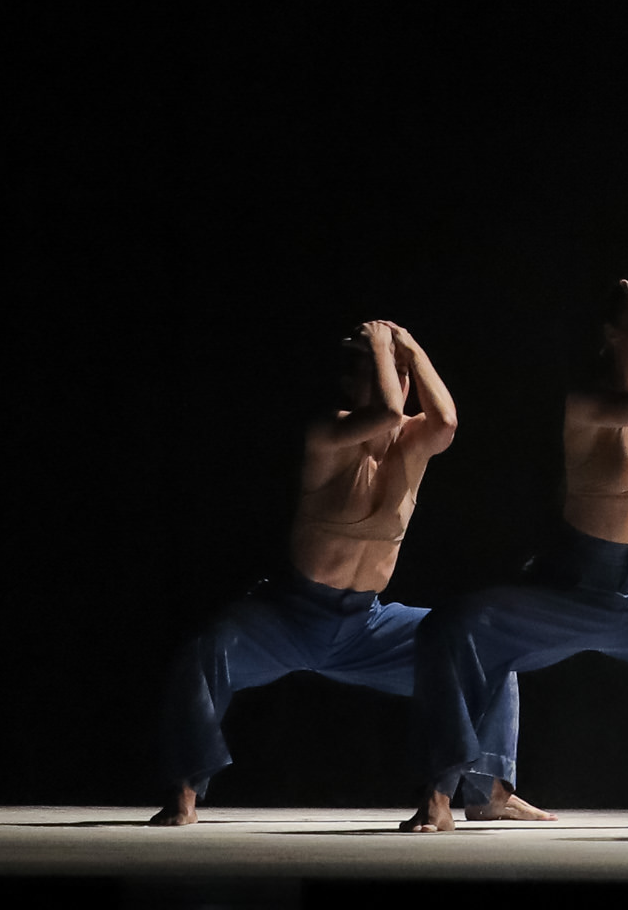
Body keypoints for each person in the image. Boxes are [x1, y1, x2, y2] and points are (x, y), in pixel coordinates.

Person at [404, 262, 628, 831]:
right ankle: (450, 792)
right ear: (610, 334)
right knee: (450, 628)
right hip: (568, 585)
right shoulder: (588, 402)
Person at [154, 322, 533, 825]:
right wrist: (380, 344)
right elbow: (385, 413)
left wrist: (411, 350)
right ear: (354, 388)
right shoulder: (328, 433)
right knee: (203, 656)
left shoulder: (413, 444)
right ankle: (184, 795)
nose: (396, 388)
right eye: (383, 377)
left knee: (487, 650)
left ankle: (487, 796)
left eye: (401, 378)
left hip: (366, 626)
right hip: (290, 615)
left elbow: (445, 422)